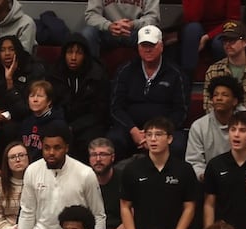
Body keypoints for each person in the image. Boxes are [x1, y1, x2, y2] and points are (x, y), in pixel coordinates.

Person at [17, 121, 105, 229]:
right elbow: (27, 212)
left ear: (66, 148)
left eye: (57, 148)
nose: (51, 153)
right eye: (47, 148)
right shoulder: (32, 171)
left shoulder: (85, 174)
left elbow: (98, 214)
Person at [120, 117, 198, 229]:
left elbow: (189, 207)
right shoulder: (132, 169)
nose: (153, 139)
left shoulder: (184, 170)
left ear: (169, 139)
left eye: (158, 134)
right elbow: (125, 206)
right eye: (149, 135)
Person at [108, 25, 190, 160]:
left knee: (179, 145)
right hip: (131, 129)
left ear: (161, 46)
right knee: (114, 140)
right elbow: (116, 108)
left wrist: (157, 134)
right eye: (144, 45)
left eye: (152, 45)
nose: (148, 49)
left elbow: (181, 112)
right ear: (138, 47)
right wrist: (133, 130)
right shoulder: (125, 71)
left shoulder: (176, 74)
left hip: (164, 130)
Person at [201, 21, 246, 145]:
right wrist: (228, 127)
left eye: (233, 40)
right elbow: (208, 105)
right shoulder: (213, 71)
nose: (228, 45)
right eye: (225, 41)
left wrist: (245, 128)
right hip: (221, 128)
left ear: (245, 42)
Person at [0, 35, 45, 159]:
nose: (7, 53)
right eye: (3, 50)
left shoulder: (32, 70)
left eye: (11, 49)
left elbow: (26, 109)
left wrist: (9, 82)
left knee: (9, 131)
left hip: (24, 119)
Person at [44, 33, 109, 162]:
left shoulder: (96, 75)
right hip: (61, 121)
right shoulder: (54, 73)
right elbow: (51, 104)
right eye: (69, 52)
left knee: (88, 140)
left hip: (89, 124)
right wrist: (62, 125)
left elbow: (100, 111)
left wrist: (74, 127)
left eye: (78, 53)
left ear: (85, 55)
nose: (73, 57)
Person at [186, 75, 246, 182]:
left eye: (225, 95)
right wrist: (206, 176)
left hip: (243, 178)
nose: (219, 98)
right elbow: (194, 161)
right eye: (215, 95)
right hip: (211, 180)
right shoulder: (198, 126)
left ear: (235, 101)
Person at [178, 0, 238, 79]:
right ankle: (186, 79)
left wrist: (208, 36)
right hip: (197, 28)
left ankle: (224, 79)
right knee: (192, 30)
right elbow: (190, 18)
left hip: (223, 29)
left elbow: (233, 21)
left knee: (219, 43)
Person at [81, 0, 158, 58]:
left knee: (154, 35)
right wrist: (109, 25)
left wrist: (133, 24)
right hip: (107, 31)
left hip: (135, 31)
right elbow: (91, 15)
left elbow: (153, 17)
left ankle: (148, 76)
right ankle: (92, 74)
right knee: (88, 33)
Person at [87, 138, 125, 229]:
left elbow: (131, 217)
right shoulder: (84, 179)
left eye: (103, 154)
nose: (98, 159)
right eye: (94, 155)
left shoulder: (124, 179)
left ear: (112, 157)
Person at [15, 80, 66, 162]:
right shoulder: (26, 122)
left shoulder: (58, 125)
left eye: (40, 96)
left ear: (49, 101)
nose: (35, 100)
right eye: (32, 96)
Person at [0, 141, 26, 229]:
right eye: (13, 157)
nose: (17, 160)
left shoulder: (37, 180)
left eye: (21, 155)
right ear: (7, 162)